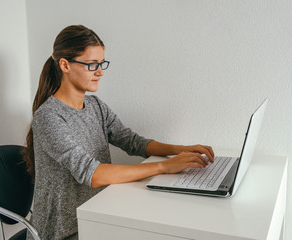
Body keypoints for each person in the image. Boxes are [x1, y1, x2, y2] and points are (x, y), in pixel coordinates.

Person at [23, 25, 214, 240]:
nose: (100, 71)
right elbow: (92, 174)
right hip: (63, 231)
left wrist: (180, 150)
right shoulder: (49, 117)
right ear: (65, 65)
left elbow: (132, 142)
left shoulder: (95, 106)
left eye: (101, 63)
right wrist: (164, 166)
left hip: (97, 215)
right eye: (91, 64)